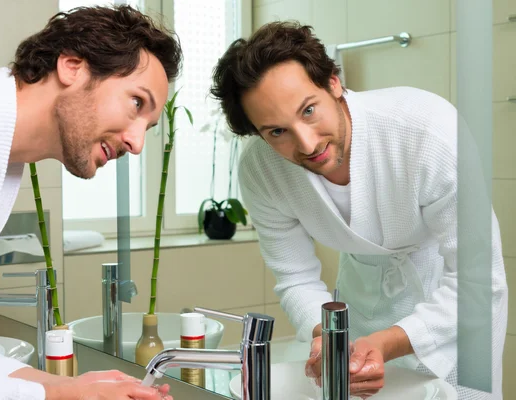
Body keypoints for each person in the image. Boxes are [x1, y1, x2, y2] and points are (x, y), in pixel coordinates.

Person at [209, 21, 508, 399]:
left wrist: (388, 343)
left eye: (309, 110)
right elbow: (295, 278)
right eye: (276, 132)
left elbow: (480, 280)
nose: (307, 143)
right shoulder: (262, 169)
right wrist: (326, 338)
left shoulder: (427, 131)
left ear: (334, 82)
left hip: (457, 312)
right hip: (360, 316)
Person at [0, 5, 181, 400]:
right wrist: (60, 397)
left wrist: (64, 384)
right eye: (136, 104)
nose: (137, 142)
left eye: (148, 125)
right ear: (73, 66)